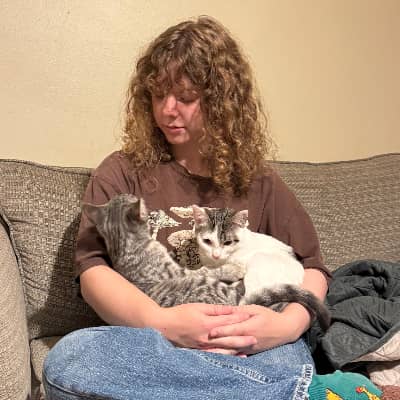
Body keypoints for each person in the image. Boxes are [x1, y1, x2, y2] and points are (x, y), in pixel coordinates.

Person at [42, 16, 380, 400]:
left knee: (286, 359)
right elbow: (93, 271)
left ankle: (279, 388)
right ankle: (299, 393)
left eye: (185, 98)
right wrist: (162, 322)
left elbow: (313, 267)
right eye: (157, 95)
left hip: (248, 345)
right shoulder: (121, 172)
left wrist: (285, 326)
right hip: (153, 343)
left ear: (221, 101)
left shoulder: (258, 181)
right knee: (71, 359)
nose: (167, 110)